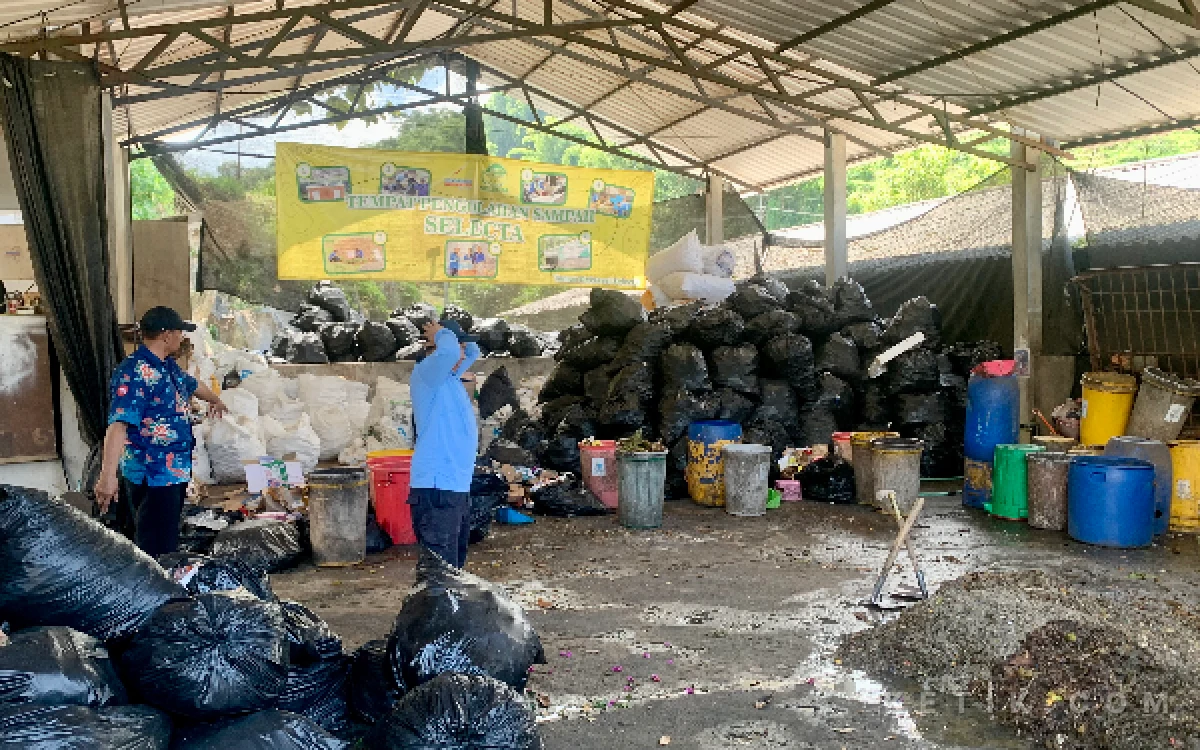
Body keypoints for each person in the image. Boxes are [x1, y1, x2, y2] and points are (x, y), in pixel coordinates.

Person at [94, 306, 227, 557]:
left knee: (164, 541)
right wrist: (107, 477)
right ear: (166, 335)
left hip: (172, 473)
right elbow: (118, 424)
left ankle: (160, 585)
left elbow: (192, 384)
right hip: (152, 474)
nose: (182, 338)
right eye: (180, 333)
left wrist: (216, 400)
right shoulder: (134, 371)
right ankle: (152, 592)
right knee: (153, 548)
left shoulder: (166, 366)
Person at [408, 317, 481, 568]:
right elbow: (449, 351)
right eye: (457, 347)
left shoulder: (449, 377)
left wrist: (456, 339)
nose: (461, 354)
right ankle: (433, 608)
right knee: (439, 572)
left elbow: (473, 351)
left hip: (455, 487)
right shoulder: (427, 374)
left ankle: (447, 608)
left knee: (454, 568)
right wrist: (440, 334)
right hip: (436, 487)